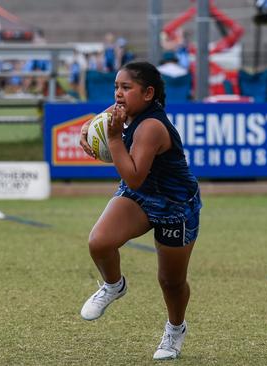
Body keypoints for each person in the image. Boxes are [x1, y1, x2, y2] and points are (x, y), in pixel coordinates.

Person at [78, 61, 202, 360]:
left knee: (170, 281)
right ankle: (113, 285)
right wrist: (88, 131)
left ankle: (175, 329)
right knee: (100, 242)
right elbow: (102, 122)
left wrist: (113, 139)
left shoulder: (152, 127)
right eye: (116, 87)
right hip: (139, 196)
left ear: (148, 94)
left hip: (175, 206)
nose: (118, 94)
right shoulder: (123, 111)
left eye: (126, 88)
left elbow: (134, 174)